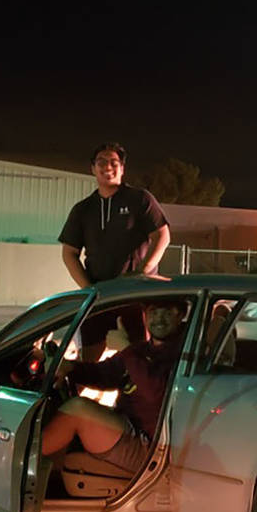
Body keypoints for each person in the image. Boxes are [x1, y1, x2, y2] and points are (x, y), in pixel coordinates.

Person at [40, 299, 186, 474]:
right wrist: (70, 368)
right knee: (76, 413)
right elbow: (105, 375)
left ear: (181, 316)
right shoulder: (142, 350)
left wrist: (126, 349)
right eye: (154, 312)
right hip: (127, 425)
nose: (159, 319)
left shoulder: (184, 354)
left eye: (167, 313)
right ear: (145, 315)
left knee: (78, 409)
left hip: (152, 446)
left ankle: (20, 459)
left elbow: (154, 394)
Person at [59, 142, 171, 359]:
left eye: (114, 162)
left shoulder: (140, 199)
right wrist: (89, 290)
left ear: (122, 168)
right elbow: (69, 253)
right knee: (89, 360)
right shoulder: (83, 209)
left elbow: (162, 236)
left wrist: (142, 273)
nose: (107, 167)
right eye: (101, 162)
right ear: (93, 168)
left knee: (140, 357)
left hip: (134, 296)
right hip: (98, 298)